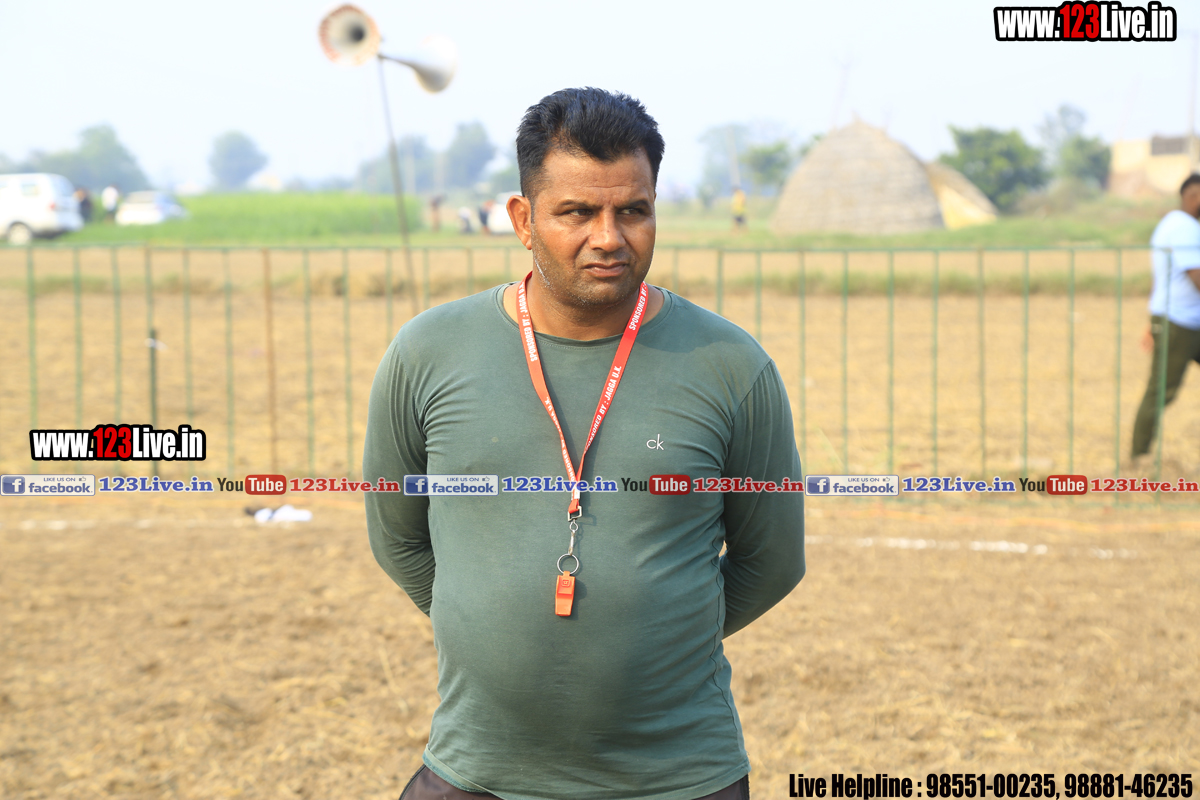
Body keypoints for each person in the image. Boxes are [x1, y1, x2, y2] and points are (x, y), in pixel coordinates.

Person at [364, 87, 805, 800]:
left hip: (678, 777)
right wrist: (486, 629)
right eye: (576, 212)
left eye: (633, 210)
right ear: (523, 219)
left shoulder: (731, 366)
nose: (609, 237)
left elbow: (773, 559)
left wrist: (660, 642)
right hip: (479, 771)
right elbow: (398, 538)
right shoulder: (427, 354)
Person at [1131, 173, 1200, 460]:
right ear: (1194, 196)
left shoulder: (1173, 223)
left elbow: (1159, 281)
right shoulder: (1185, 228)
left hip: (1184, 320)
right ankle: (1139, 459)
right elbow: (1197, 278)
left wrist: (1151, 320)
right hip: (1179, 323)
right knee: (1161, 391)